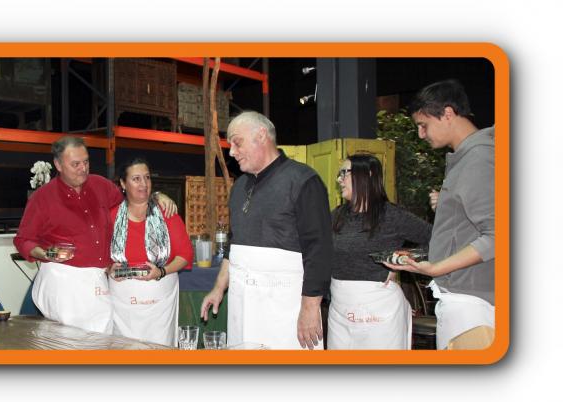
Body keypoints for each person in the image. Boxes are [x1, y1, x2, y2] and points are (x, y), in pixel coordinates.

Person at [13, 136, 177, 334]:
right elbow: (23, 239)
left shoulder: (101, 185)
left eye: (86, 162)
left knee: (102, 338)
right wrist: (45, 254)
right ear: (58, 164)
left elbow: (131, 204)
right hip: (63, 280)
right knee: (70, 342)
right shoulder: (43, 197)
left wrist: (156, 196)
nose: (83, 168)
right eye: (75, 164)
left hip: (99, 279)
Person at [199, 111, 333, 350]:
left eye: (237, 143)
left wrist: (310, 308)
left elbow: (319, 249)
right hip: (243, 305)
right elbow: (234, 244)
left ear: (261, 136)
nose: (232, 152)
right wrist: (219, 288)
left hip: (285, 308)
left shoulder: (302, 180)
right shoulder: (239, 187)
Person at [387, 79, 495, 350]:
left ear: (448, 114)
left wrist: (436, 268)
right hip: (464, 297)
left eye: (423, 125)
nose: (421, 134)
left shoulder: (479, 159)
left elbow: (498, 235)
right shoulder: (468, 158)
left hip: (473, 304)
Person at [328, 154, 432, 349]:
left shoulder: (391, 215)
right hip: (339, 311)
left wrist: (402, 260)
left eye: (344, 173)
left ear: (367, 175)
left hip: (381, 312)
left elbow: (436, 239)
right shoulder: (336, 216)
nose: (339, 180)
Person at [106, 157, 193, 346]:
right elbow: (100, 255)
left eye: (147, 177)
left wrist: (161, 271)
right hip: (122, 305)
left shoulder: (167, 212)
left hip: (160, 304)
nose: (144, 184)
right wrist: (108, 269)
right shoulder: (111, 216)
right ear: (123, 183)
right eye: (136, 179)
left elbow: (185, 255)